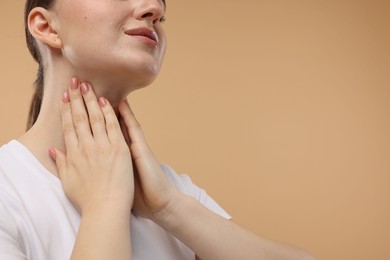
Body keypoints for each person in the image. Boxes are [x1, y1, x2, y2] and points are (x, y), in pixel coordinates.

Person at [0, 0, 315, 259]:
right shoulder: (7, 191)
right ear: (46, 26)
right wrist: (104, 204)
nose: (154, 9)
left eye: (162, 7)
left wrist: (169, 207)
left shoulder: (169, 193)